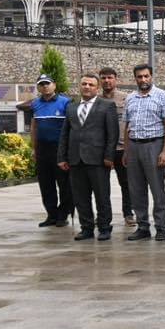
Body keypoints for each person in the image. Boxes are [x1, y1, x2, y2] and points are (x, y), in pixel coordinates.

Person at [56, 73, 118, 241]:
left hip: (98, 159)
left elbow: (113, 134)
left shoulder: (107, 106)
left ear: (97, 88)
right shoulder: (71, 107)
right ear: (80, 86)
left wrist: (109, 156)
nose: (87, 87)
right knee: (80, 197)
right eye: (84, 84)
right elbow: (65, 134)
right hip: (75, 159)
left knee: (102, 196)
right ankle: (86, 228)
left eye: (91, 84)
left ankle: (105, 228)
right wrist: (62, 157)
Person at [122, 63, 165, 241]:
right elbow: (127, 125)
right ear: (135, 78)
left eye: (146, 76)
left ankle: (161, 227)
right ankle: (143, 226)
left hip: (154, 145)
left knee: (157, 189)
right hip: (134, 146)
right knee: (136, 190)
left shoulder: (163, 96)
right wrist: (126, 151)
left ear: (151, 76)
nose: (143, 80)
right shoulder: (130, 98)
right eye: (140, 77)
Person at [29, 74, 72, 228]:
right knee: (46, 185)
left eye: (47, 83)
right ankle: (51, 215)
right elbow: (34, 127)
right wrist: (33, 148)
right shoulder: (35, 104)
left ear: (54, 85)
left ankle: (63, 215)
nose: (45, 86)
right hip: (42, 149)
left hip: (59, 149)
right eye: (41, 84)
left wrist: (67, 150)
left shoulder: (65, 102)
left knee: (65, 185)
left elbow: (70, 128)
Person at [98, 67, 133, 227]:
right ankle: (103, 216)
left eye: (110, 77)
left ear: (116, 79)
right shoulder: (96, 100)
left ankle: (128, 213)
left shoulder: (127, 99)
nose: (107, 81)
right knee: (100, 186)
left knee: (126, 183)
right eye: (103, 78)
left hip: (121, 148)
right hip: (101, 149)